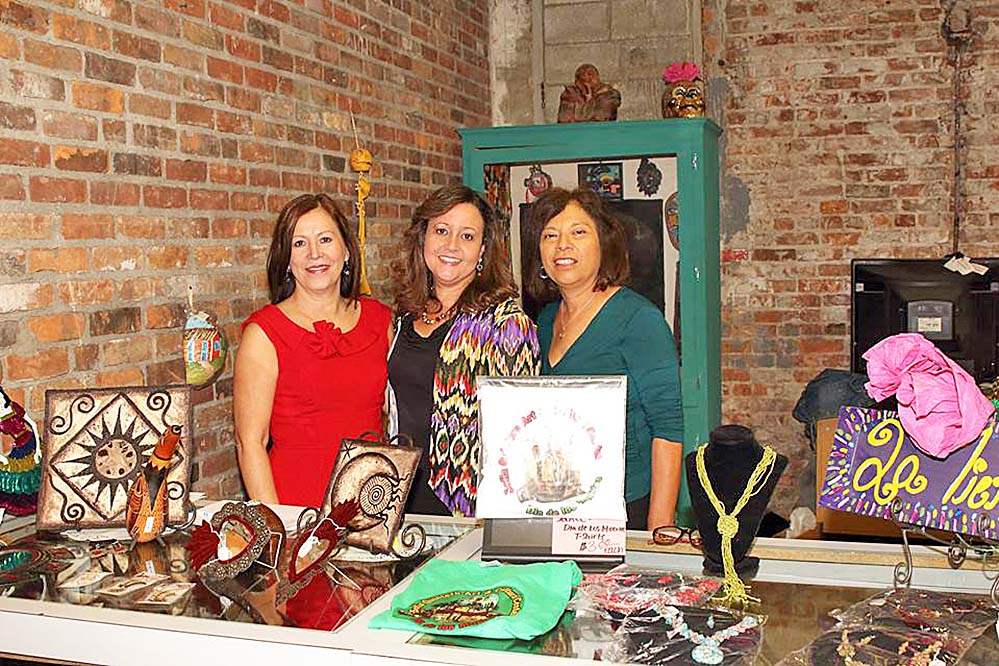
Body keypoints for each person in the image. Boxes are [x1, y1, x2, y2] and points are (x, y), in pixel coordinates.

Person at [524, 187, 685, 530]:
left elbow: (668, 428)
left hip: (627, 507)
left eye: (578, 232)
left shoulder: (638, 318)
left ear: (603, 243)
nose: (562, 245)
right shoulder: (546, 320)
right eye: (550, 235)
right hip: (564, 502)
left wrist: (659, 527)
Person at [388, 184, 540, 517]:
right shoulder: (405, 315)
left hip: (467, 505)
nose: (451, 245)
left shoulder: (507, 325)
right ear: (423, 238)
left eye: (467, 236)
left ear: (483, 249)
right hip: (400, 496)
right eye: (441, 231)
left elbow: (522, 437)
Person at [234, 193, 392, 507]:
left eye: (325, 239)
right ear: (286, 260)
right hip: (296, 510)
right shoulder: (264, 334)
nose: (315, 254)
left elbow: (396, 415)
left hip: (372, 505)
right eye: (299, 243)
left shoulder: (380, 321)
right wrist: (277, 525)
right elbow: (250, 442)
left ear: (347, 250)